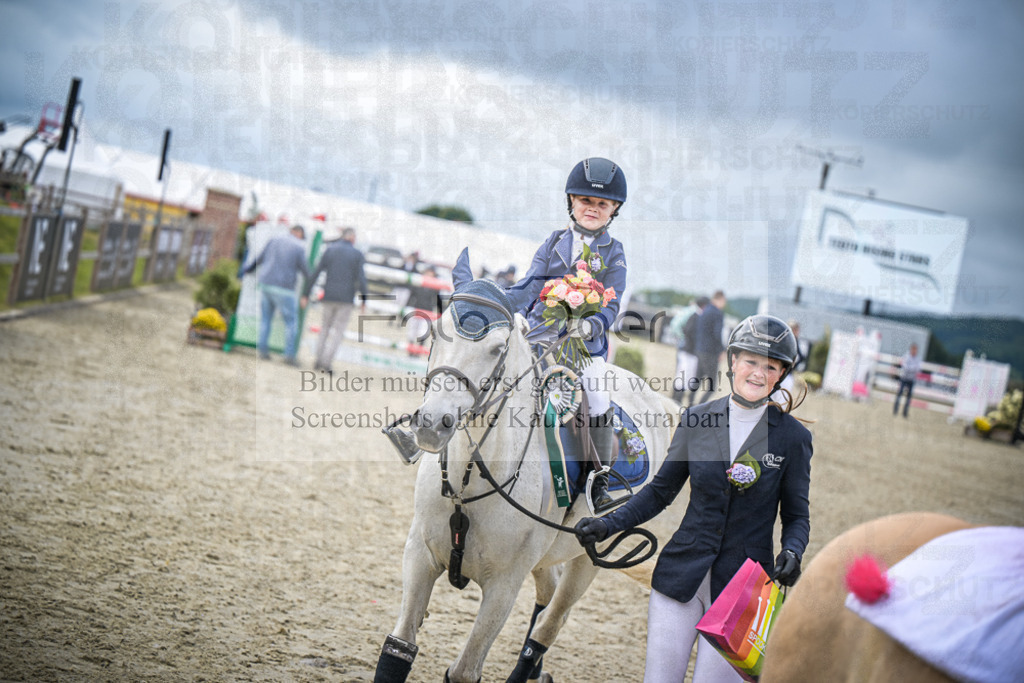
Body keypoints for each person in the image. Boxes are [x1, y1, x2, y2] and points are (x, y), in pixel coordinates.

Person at [575, 315, 812, 683]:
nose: (757, 373)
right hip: (680, 576)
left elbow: (797, 515)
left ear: (780, 374)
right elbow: (660, 491)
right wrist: (608, 524)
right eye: (750, 361)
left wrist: (793, 551)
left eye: (770, 366)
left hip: (743, 593)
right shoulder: (698, 419)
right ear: (732, 361)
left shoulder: (792, 438)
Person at [503, 157, 629, 514]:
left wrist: (591, 324)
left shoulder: (614, 252)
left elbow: (613, 302)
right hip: (540, 338)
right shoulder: (553, 241)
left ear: (613, 209)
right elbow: (529, 287)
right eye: (586, 201)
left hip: (584, 346)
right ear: (571, 201)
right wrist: (499, 300)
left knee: (598, 394)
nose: (593, 209)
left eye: (602, 204)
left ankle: (599, 478)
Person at [300, 227, 367, 372]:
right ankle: (327, 363)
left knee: (324, 329)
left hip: (328, 295)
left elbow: (316, 272)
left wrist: (306, 293)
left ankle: (318, 359)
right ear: (353, 238)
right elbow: (361, 278)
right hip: (346, 298)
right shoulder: (357, 254)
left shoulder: (330, 250)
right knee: (338, 332)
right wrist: (364, 299)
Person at [243, 224, 309, 366]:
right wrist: (309, 286)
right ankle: (289, 355)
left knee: (266, 318)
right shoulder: (298, 247)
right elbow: (305, 269)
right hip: (285, 288)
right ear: (298, 233)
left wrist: (247, 269)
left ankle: (262, 350)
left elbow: (259, 258)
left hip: (266, 283)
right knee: (291, 322)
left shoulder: (274, 240)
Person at [690, 290, 726, 406]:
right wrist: (722, 350)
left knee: (697, 380)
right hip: (710, 353)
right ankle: (699, 407)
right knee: (712, 387)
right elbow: (717, 333)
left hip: (700, 350)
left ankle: (690, 405)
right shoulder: (717, 313)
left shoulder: (704, 311)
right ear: (720, 299)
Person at [672, 296, 709, 405]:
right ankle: (676, 400)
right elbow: (687, 330)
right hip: (689, 351)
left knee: (684, 377)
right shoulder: (695, 316)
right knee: (683, 378)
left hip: (689, 351)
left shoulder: (696, 315)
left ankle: (677, 400)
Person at [893, 342, 922, 418]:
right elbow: (905, 367)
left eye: (915, 350)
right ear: (911, 349)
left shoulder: (917, 359)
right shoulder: (907, 356)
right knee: (899, 394)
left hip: (911, 379)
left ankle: (905, 413)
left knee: (908, 397)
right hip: (904, 378)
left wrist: (911, 368)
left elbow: (918, 369)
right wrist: (912, 368)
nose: (914, 351)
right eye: (913, 349)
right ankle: (895, 410)